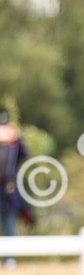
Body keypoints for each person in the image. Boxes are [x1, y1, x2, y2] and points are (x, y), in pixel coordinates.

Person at [0, 111, 30, 265]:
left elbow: (25, 154)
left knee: (9, 223)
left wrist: (17, 138)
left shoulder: (14, 145)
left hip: (8, 189)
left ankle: (10, 258)